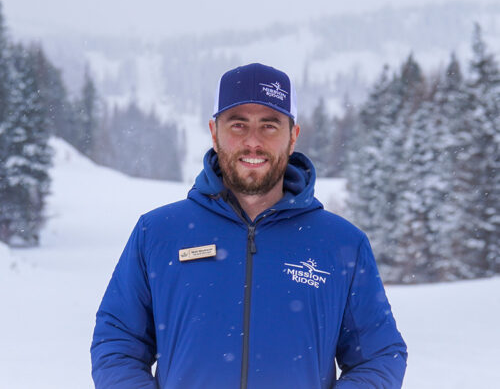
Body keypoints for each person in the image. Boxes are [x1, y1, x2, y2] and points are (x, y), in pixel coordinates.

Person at [91, 63, 407, 388]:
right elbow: (116, 344)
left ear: (293, 136)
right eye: (238, 125)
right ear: (214, 133)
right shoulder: (158, 233)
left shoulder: (342, 244)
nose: (253, 142)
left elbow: (380, 357)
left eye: (269, 126)